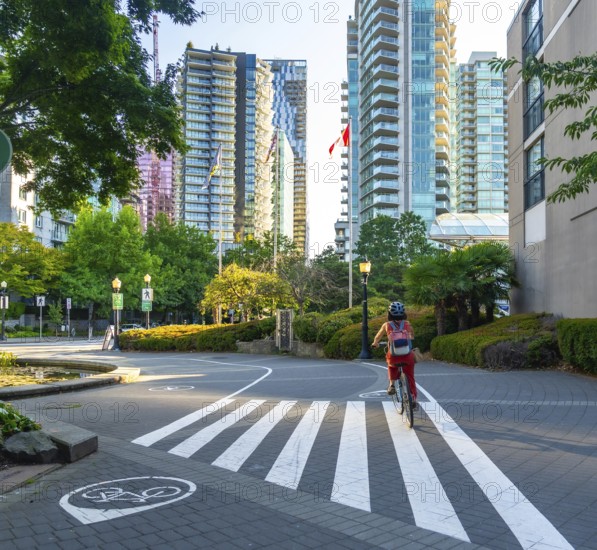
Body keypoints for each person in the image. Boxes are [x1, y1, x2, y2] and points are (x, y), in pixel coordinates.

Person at [372, 301, 417, 408]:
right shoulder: (407, 324)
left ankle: (392, 385)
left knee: (391, 365)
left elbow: (377, 337)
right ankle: (413, 397)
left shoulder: (386, 325)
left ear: (389, 314)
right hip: (407, 356)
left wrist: (375, 343)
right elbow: (412, 336)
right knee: (410, 376)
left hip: (394, 356)